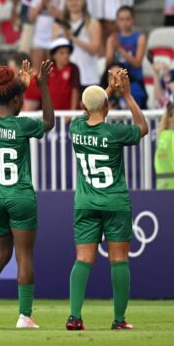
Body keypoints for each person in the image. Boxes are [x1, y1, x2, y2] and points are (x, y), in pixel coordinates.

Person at [0, 60, 55, 329]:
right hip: (20, 198)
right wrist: (44, 89)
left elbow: (8, 106)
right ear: (17, 100)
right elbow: (49, 122)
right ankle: (25, 316)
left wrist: (20, 89)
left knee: (1, 254)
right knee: (24, 258)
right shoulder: (22, 126)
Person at [66, 69, 149, 331]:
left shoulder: (75, 128)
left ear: (83, 106)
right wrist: (126, 95)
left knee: (82, 259)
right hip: (115, 202)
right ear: (107, 105)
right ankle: (119, 320)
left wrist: (107, 90)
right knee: (119, 259)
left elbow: (89, 110)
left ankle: (74, 316)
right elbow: (142, 128)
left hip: (85, 203)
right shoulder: (114, 132)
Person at [53, 0, 104, 90]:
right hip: (65, 76)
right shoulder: (58, 25)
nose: (73, 2)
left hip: (88, 76)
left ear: (83, 1)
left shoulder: (93, 23)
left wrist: (73, 38)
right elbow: (53, 51)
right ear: (66, 2)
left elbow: (95, 49)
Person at [105, 6, 148, 109]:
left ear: (133, 20)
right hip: (116, 82)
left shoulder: (140, 37)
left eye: (127, 19)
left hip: (134, 80)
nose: (124, 22)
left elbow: (137, 63)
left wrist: (119, 48)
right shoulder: (112, 38)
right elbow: (108, 64)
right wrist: (112, 46)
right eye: (121, 19)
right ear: (117, 21)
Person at [28, 0, 66, 65]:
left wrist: (49, 4)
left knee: (51, 68)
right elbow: (31, 17)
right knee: (36, 69)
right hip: (38, 36)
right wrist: (42, 3)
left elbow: (61, 17)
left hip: (54, 35)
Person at [47, 38, 81, 110]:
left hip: (67, 114)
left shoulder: (73, 68)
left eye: (67, 52)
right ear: (53, 55)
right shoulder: (48, 69)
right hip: (52, 113)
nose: (66, 55)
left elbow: (75, 90)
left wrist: (72, 112)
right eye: (62, 53)